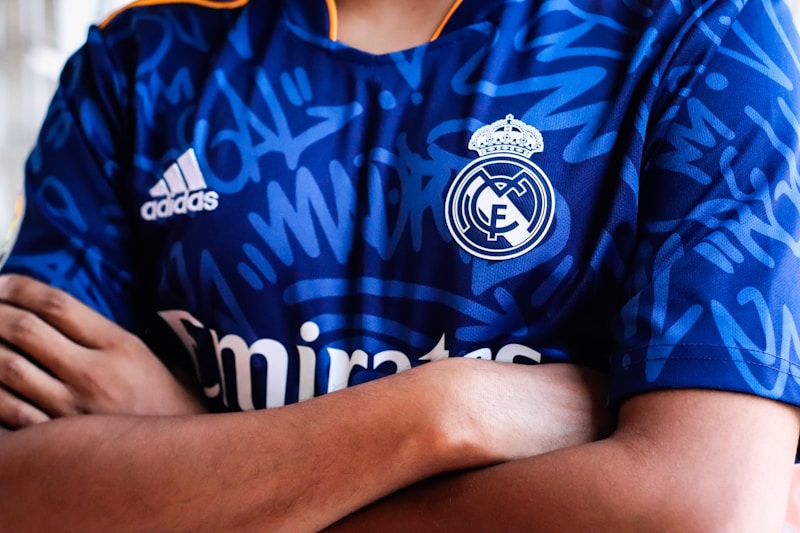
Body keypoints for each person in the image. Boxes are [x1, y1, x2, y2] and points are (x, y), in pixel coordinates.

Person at [0, 0, 799, 530]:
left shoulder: (705, 31)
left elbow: (710, 509)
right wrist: (442, 413)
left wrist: (194, 455)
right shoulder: (140, 56)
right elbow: (24, 488)